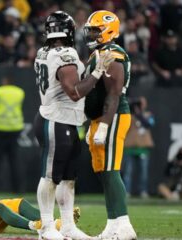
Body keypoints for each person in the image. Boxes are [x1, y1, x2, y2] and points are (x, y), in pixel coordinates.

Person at [33, 11, 114, 240]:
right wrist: (97, 73)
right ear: (68, 31)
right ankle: (47, 227)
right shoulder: (66, 53)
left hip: (64, 120)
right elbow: (75, 92)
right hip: (56, 121)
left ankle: (67, 226)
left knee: (68, 177)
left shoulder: (43, 51)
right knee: (50, 176)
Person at [83, 10, 136, 239]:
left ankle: (123, 225)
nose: (92, 33)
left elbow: (114, 93)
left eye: (96, 29)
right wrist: (92, 123)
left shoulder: (113, 53)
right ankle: (113, 224)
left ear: (108, 30)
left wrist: (104, 124)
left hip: (113, 116)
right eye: (91, 29)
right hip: (101, 117)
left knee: (111, 169)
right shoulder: (100, 52)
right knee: (103, 171)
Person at [0, 76, 25, 192]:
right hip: (15, 128)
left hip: (0, 128)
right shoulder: (20, 92)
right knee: (14, 160)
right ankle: (18, 188)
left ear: (5, 81)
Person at [123, 97, 155, 198]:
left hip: (143, 148)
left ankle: (143, 191)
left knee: (143, 172)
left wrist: (138, 114)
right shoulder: (128, 115)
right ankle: (126, 191)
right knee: (128, 172)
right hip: (129, 147)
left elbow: (149, 124)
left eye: (142, 103)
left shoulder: (148, 115)